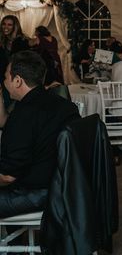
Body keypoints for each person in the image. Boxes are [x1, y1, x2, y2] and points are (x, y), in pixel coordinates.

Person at [0, 51, 79, 217]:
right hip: (64, 187)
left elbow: (8, 176)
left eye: (6, 77)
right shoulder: (62, 104)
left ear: (17, 80)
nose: (4, 81)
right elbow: (8, 125)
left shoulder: (24, 113)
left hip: (36, 194)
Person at [0, 15, 30, 107]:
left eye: (9, 25)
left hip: (18, 78)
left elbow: (24, 61)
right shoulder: (2, 41)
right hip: (3, 78)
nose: (6, 27)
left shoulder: (22, 41)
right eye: (4, 24)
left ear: (15, 26)